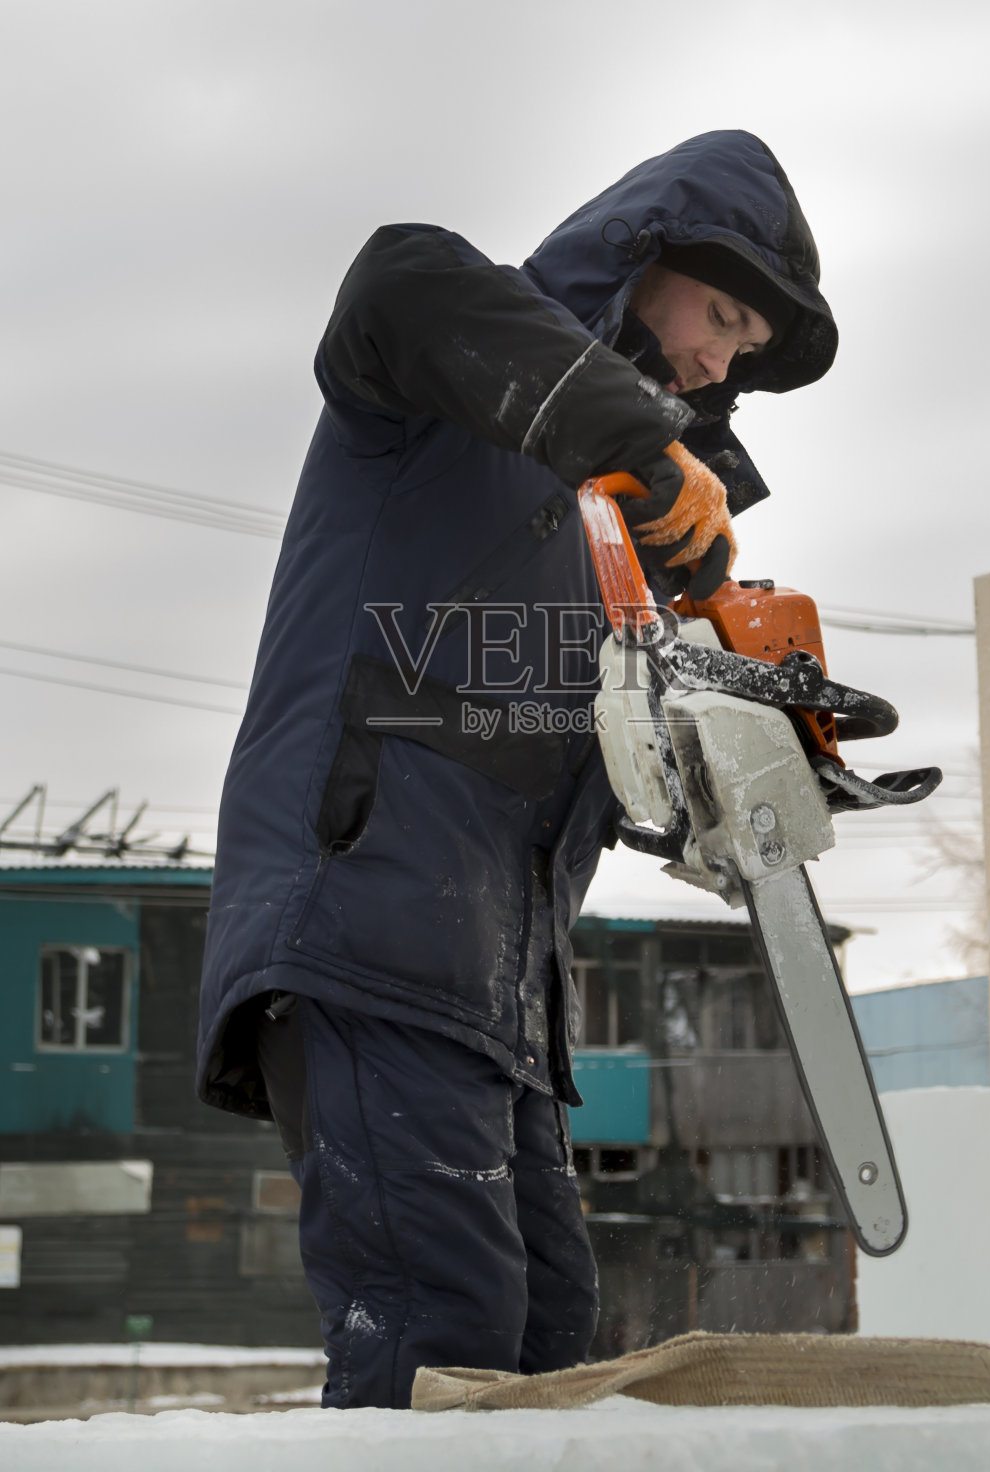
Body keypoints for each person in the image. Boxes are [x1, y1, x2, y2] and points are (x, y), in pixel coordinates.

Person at [196, 129, 838, 1408]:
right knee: (443, 1337)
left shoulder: (620, 547)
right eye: (718, 312)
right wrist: (643, 440)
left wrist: (738, 737)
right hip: (366, 921)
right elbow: (393, 280)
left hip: (500, 991)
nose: (719, 357)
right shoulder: (448, 365)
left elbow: (590, 754)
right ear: (645, 257)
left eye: (743, 350)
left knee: (549, 1333)